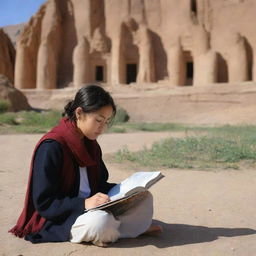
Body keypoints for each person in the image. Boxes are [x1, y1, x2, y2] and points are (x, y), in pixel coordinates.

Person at [9, 84, 162, 246]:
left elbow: (98, 185)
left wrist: (127, 192)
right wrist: (83, 203)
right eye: (98, 120)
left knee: (144, 197)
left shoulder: (91, 145)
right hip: (61, 216)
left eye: (106, 122)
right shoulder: (52, 147)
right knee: (100, 222)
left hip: (92, 208)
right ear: (79, 113)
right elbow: (44, 203)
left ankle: (119, 229)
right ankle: (127, 229)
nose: (102, 127)